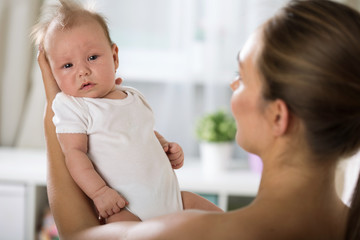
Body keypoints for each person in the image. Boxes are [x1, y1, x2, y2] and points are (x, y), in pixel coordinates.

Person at [37, 0, 360, 239]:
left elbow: (79, 234)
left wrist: (55, 104)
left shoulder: (183, 232)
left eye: (241, 78)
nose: (234, 88)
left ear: (278, 115)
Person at [32, 0, 222, 223]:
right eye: (67, 66)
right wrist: (99, 192)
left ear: (114, 57)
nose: (82, 71)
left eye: (92, 58)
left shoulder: (132, 96)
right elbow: (74, 154)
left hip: (172, 200)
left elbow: (143, 131)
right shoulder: (73, 106)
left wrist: (165, 147)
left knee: (217, 218)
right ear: (53, 74)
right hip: (124, 208)